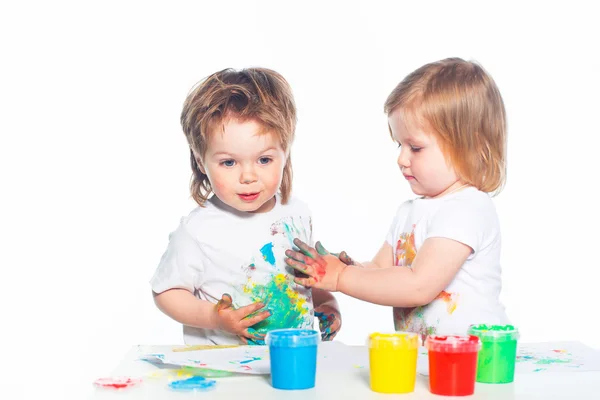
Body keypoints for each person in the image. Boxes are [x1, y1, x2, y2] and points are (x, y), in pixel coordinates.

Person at [285, 58, 510, 343]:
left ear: (469, 145)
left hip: (477, 362)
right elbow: (381, 271)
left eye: (415, 147)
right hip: (429, 361)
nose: (402, 159)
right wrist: (339, 267)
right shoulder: (409, 212)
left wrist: (342, 277)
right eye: (399, 145)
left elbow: (419, 285)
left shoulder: (467, 209)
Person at [151, 67, 341, 345]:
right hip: (226, 372)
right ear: (201, 161)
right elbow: (166, 293)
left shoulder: (296, 212)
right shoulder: (199, 231)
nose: (248, 177)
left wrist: (328, 304)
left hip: (290, 363)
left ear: (285, 153)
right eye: (229, 162)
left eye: (264, 160)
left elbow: (301, 280)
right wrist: (214, 318)